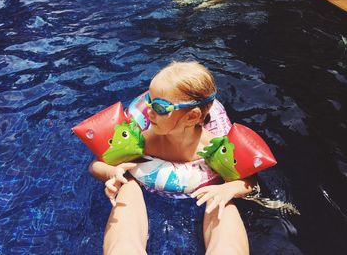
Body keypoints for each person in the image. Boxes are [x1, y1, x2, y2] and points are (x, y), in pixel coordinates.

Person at [89, 61, 256, 255]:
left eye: (160, 108)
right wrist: (112, 173)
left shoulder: (215, 147)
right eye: (149, 101)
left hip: (205, 194)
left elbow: (249, 181)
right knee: (128, 185)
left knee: (221, 202)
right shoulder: (144, 141)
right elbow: (95, 165)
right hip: (143, 188)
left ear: (192, 117)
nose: (149, 111)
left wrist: (230, 188)